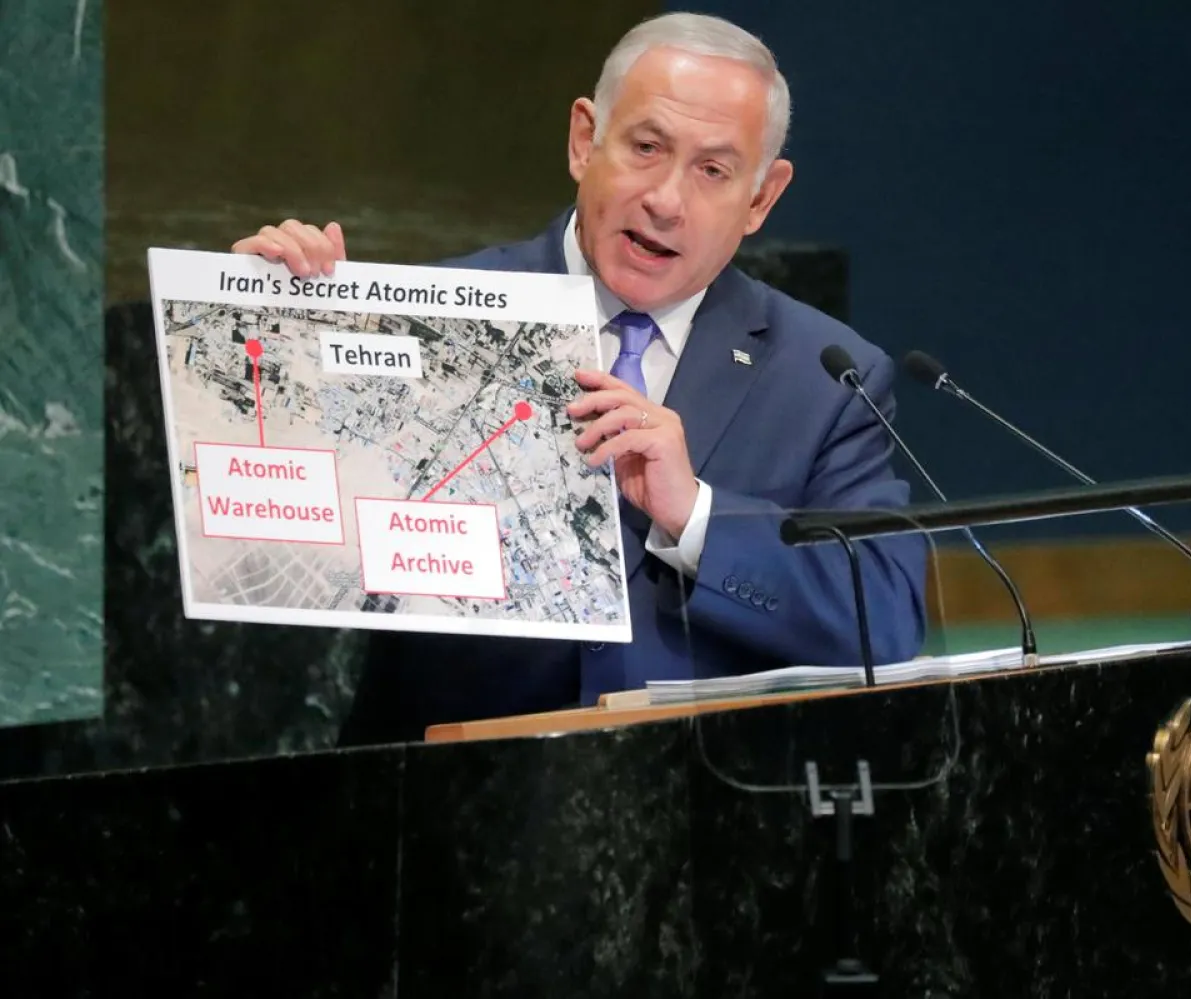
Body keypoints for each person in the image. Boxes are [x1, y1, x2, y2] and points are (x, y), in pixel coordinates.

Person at [231, 12, 928, 743]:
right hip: (438, 808)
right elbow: (275, 542)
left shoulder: (823, 378)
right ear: (583, 140)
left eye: (713, 171)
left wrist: (693, 516)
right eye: (647, 147)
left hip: (701, 818)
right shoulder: (432, 318)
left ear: (761, 198)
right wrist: (277, 330)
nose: (666, 199)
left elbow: (882, 618)